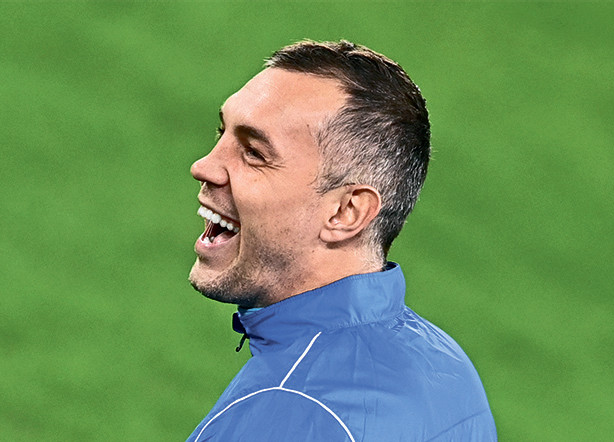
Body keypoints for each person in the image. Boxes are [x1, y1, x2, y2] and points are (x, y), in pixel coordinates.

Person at [186, 40, 496, 441]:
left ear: (346, 212)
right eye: (221, 132)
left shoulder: (285, 411)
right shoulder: (444, 366)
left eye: (254, 153)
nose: (204, 166)